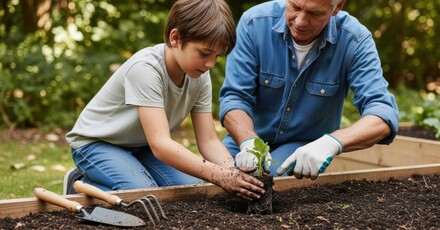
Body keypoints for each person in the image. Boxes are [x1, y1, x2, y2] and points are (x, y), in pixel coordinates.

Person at [64, 0, 265, 201]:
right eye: (204, 53)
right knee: (144, 194)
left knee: (191, 189)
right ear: (176, 38)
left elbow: (209, 141)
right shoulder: (146, 69)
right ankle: (79, 184)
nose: (211, 64)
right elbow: (160, 144)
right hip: (97, 144)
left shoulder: (200, 75)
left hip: (142, 146)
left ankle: (124, 171)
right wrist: (219, 175)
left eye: (217, 56)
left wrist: (234, 172)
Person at [219, 0, 399, 180]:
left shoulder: (355, 40)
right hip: (246, 140)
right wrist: (249, 142)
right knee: (205, 180)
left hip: (304, 148)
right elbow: (235, 97)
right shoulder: (255, 23)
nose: (300, 22)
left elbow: (383, 113)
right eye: (295, 7)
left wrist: (332, 142)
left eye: (314, 13)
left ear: (337, 7)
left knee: (274, 181)